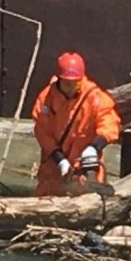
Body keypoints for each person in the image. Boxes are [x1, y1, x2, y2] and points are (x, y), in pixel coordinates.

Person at [31, 51, 121, 196]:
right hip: (54, 165)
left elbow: (110, 124)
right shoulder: (46, 99)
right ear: (59, 79)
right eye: (67, 83)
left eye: (75, 83)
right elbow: (43, 133)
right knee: (45, 202)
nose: (71, 87)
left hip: (86, 165)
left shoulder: (95, 97)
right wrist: (60, 160)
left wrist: (94, 147)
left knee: (92, 201)